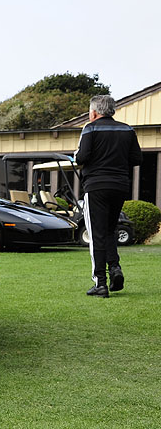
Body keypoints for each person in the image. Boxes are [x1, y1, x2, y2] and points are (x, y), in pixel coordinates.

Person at [75, 94, 142, 298]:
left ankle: (100, 283)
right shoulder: (127, 129)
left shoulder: (90, 128)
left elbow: (81, 157)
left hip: (96, 186)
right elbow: (137, 158)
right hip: (120, 186)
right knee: (110, 230)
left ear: (94, 112)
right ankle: (115, 269)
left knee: (96, 235)